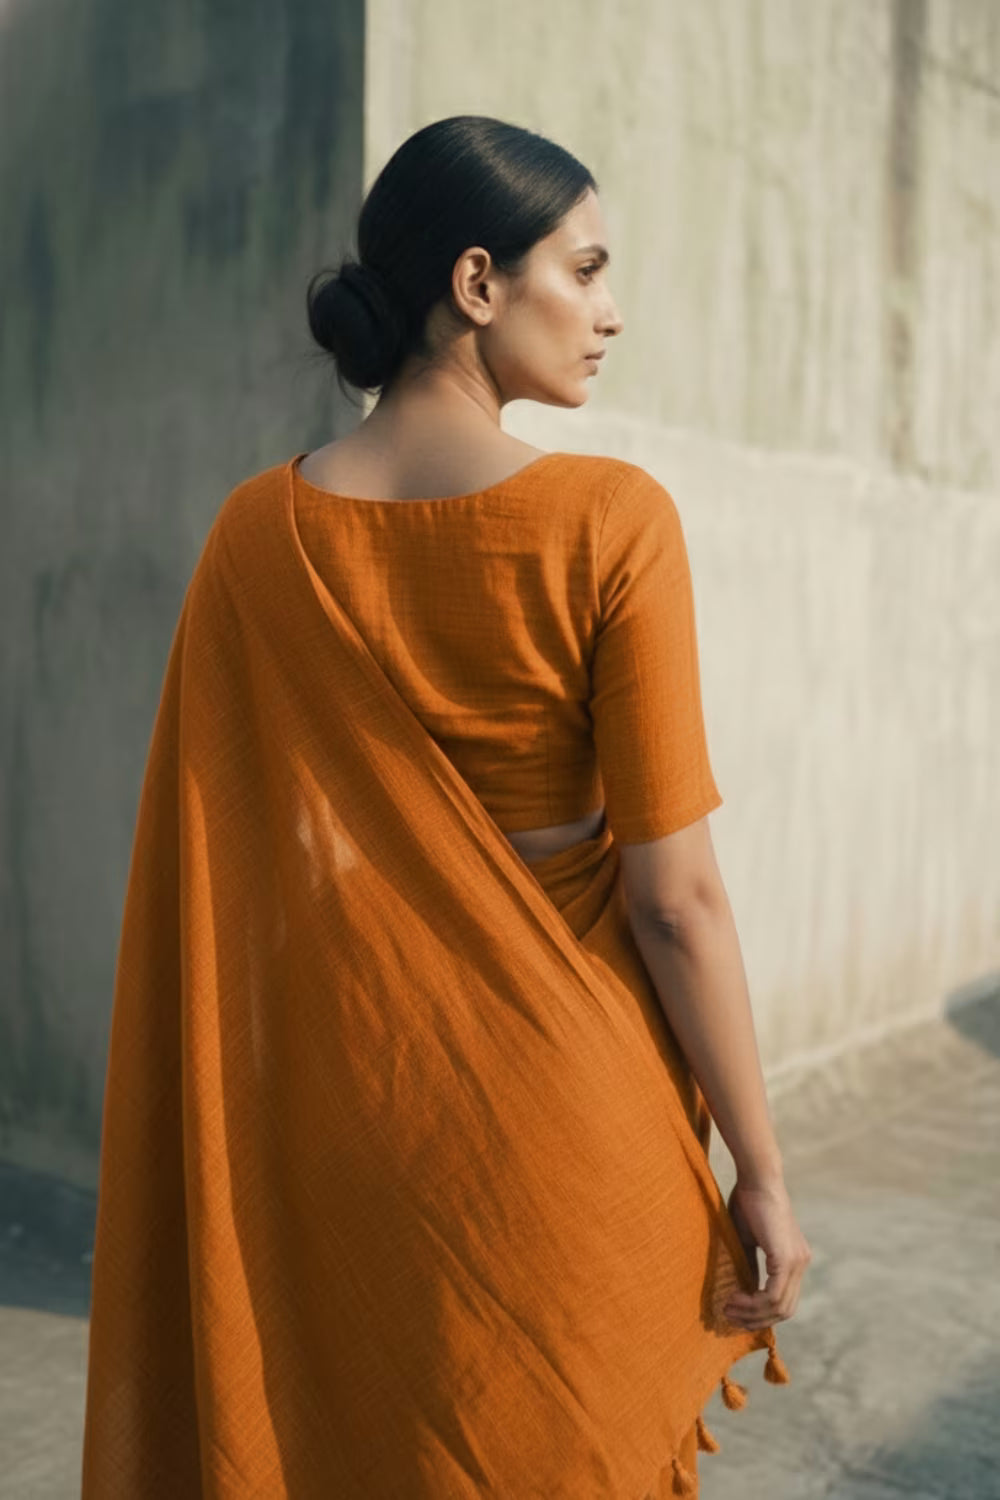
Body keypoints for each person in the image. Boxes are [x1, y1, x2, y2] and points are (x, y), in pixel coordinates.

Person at [82, 115, 810, 1499]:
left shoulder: (254, 536)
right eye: (585, 271)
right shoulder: (611, 522)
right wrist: (762, 1171)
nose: (611, 312)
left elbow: (239, 870)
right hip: (563, 1123)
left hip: (352, 1113)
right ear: (477, 284)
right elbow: (677, 897)